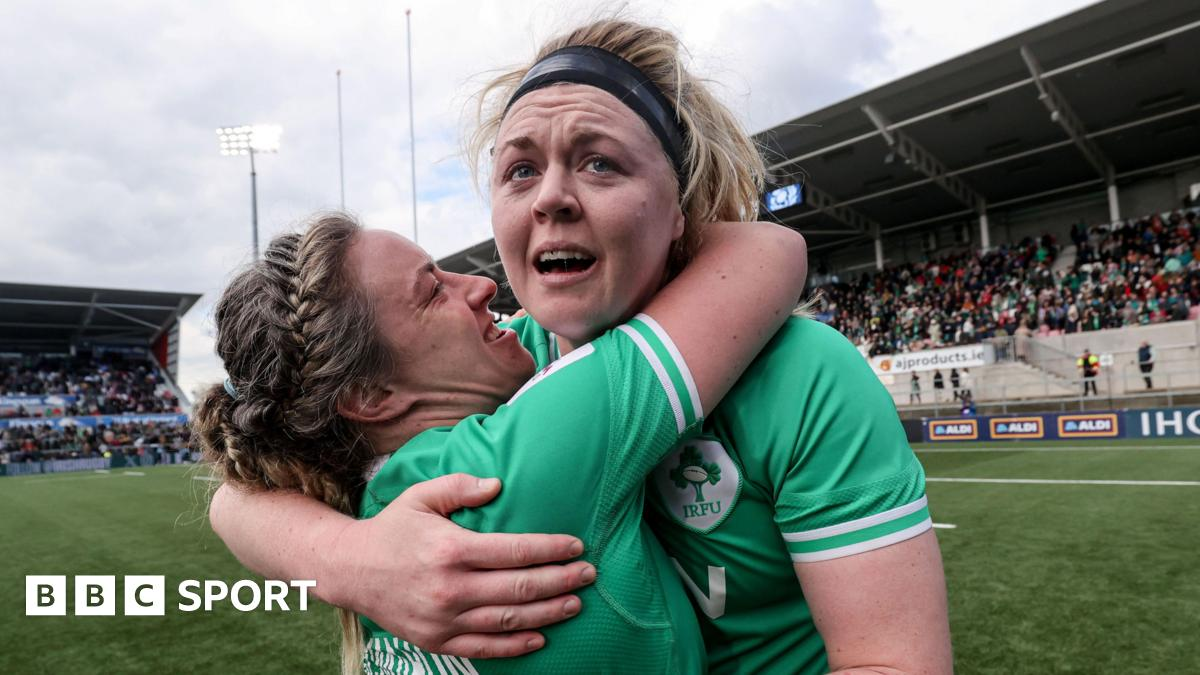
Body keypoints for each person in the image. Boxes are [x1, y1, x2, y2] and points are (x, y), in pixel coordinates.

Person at [208, 19, 951, 675]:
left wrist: (340, 558)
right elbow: (242, 501)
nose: (550, 198)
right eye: (519, 169)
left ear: (681, 203)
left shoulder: (803, 376)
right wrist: (351, 561)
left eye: (600, 162)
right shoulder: (509, 369)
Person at [194, 213, 807, 673]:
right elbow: (767, 250)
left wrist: (338, 556)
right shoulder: (514, 459)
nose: (481, 285)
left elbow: (231, 501)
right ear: (370, 396)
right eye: (432, 291)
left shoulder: (363, 490)